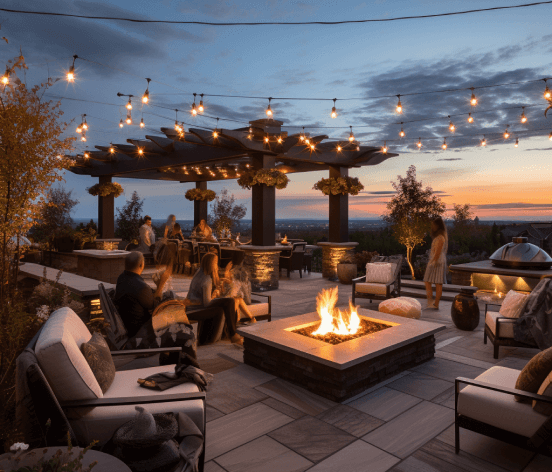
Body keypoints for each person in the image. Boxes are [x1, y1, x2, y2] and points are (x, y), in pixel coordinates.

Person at [186, 253, 242, 345]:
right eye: (215, 263)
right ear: (211, 264)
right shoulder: (206, 279)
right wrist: (214, 297)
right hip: (196, 310)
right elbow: (207, 303)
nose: (217, 266)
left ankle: (230, 334)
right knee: (229, 301)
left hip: (191, 307)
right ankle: (232, 334)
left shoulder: (199, 273)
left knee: (226, 303)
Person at [114, 251, 172, 338]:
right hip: (140, 331)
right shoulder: (140, 287)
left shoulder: (122, 278)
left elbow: (146, 298)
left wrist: (157, 285)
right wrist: (161, 284)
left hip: (127, 323)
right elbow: (155, 307)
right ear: (141, 265)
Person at [424, 216, 448, 309]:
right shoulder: (438, 237)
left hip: (438, 261)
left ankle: (435, 304)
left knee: (438, 283)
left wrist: (432, 262)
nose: (432, 227)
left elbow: (437, 252)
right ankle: (430, 302)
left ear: (438, 226)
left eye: (434, 225)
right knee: (428, 281)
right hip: (435, 260)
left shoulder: (441, 238)